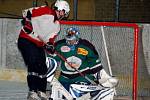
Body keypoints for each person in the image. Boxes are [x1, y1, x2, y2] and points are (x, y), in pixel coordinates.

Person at [17, 0, 70, 100]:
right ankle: (32, 91)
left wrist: (50, 46)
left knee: (43, 67)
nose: (64, 15)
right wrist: (27, 21)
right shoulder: (46, 10)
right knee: (33, 62)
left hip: (38, 44)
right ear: (59, 8)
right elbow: (27, 12)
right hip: (26, 39)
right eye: (64, 12)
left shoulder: (57, 26)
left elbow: (49, 40)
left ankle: (41, 91)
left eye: (65, 13)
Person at [48, 27, 118, 99]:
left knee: (79, 96)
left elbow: (95, 65)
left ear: (77, 37)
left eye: (72, 40)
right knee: (57, 96)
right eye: (68, 39)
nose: (70, 42)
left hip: (82, 77)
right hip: (64, 77)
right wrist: (51, 52)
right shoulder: (59, 45)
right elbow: (53, 60)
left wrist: (102, 79)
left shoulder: (87, 46)